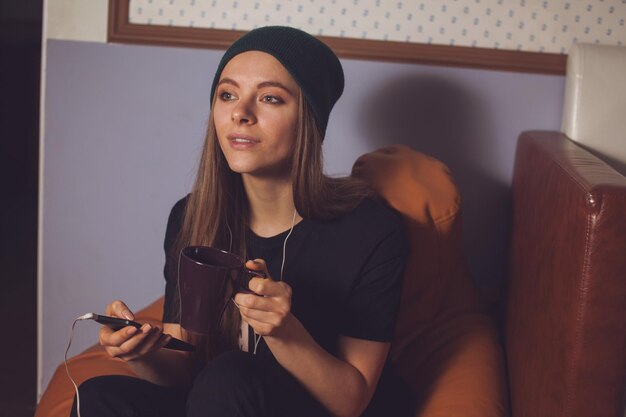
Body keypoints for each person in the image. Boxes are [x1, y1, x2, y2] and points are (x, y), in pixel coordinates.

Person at [71, 26, 415, 417]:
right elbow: (186, 366)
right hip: (215, 402)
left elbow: (350, 401)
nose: (240, 113)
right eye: (227, 94)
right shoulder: (191, 217)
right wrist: (143, 354)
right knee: (98, 396)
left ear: (309, 119)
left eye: (269, 98)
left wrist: (285, 333)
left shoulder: (369, 231)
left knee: (228, 375)